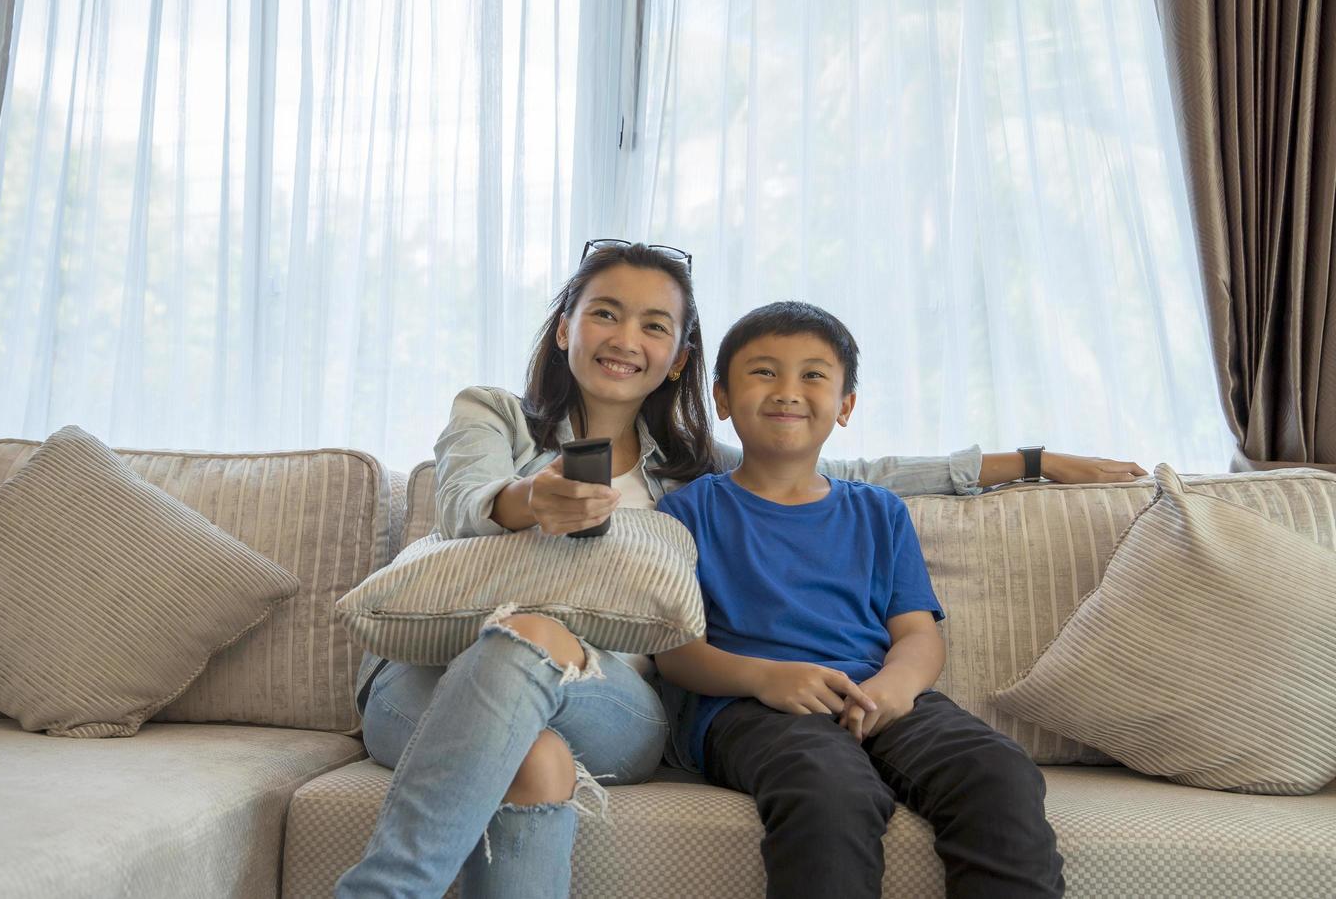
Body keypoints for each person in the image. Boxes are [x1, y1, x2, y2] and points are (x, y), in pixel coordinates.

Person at [335, 242, 1129, 898]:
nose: (624, 338)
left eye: (654, 324)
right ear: (563, 330)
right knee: (534, 735)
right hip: (441, 675)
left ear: (679, 358)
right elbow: (465, 500)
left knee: (540, 667)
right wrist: (527, 500)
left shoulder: (687, 470)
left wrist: (1029, 459)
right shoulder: (494, 413)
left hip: (601, 698)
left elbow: (843, 467)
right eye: (604, 313)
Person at [654, 300, 1066, 898]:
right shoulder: (688, 512)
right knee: (831, 788)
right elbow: (676, 653)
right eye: (763, 372)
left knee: (997, 770)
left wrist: (896, 687)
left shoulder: (879, 512)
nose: (788, 391)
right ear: (720, 398)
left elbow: (919, 635)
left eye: (813, 375)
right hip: (753, 706)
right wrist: (768, 678)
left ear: (845, 406)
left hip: (880, 693)